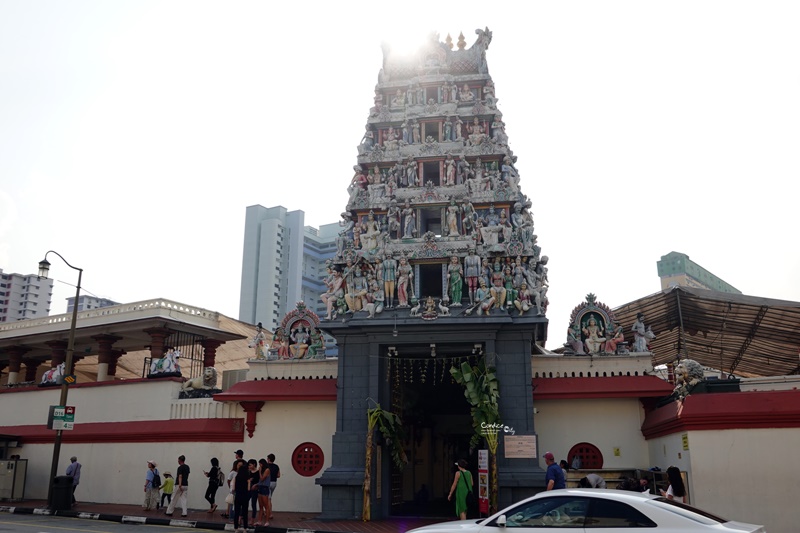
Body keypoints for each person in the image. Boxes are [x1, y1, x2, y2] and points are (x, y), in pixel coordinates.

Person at [233, 459, 250, 533]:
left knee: (236, 513)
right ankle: (245, 529)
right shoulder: (247, 479)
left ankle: (236, 528)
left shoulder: (236, 478)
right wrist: (248, 483)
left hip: (238, 496)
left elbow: (233, 489)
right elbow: (249, 489)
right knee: (245, 513)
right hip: (245, 496)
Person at [255, 458, 271, 526]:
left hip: (265, 488)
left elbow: (262, 479)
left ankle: (267, 521)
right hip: (260, 487)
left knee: (266, 505)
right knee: (260, 506)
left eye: (260, 464)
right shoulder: (262, 470)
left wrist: (260, 471)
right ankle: (259, 521)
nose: (260, 465)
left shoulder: (267, 470)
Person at [266, 454, 280, 521]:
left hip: (268, 483)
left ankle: (269, 513)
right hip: (274, 482)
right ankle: (268, 512)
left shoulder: (266, 466)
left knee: (268, 499)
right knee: (270, 497)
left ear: (268, 459)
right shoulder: (276, 466)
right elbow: (278, 475)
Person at [247, 459, 260, 524]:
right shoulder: (248, 472)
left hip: (255, 489)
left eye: (250, 465)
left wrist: (256, 485)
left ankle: (252, 519)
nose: (249, 466)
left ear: (254, 464)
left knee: (253, 504)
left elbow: (260, 480)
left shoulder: (258, 472)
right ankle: (241, 517)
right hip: (248, 489)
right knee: (245, 503)